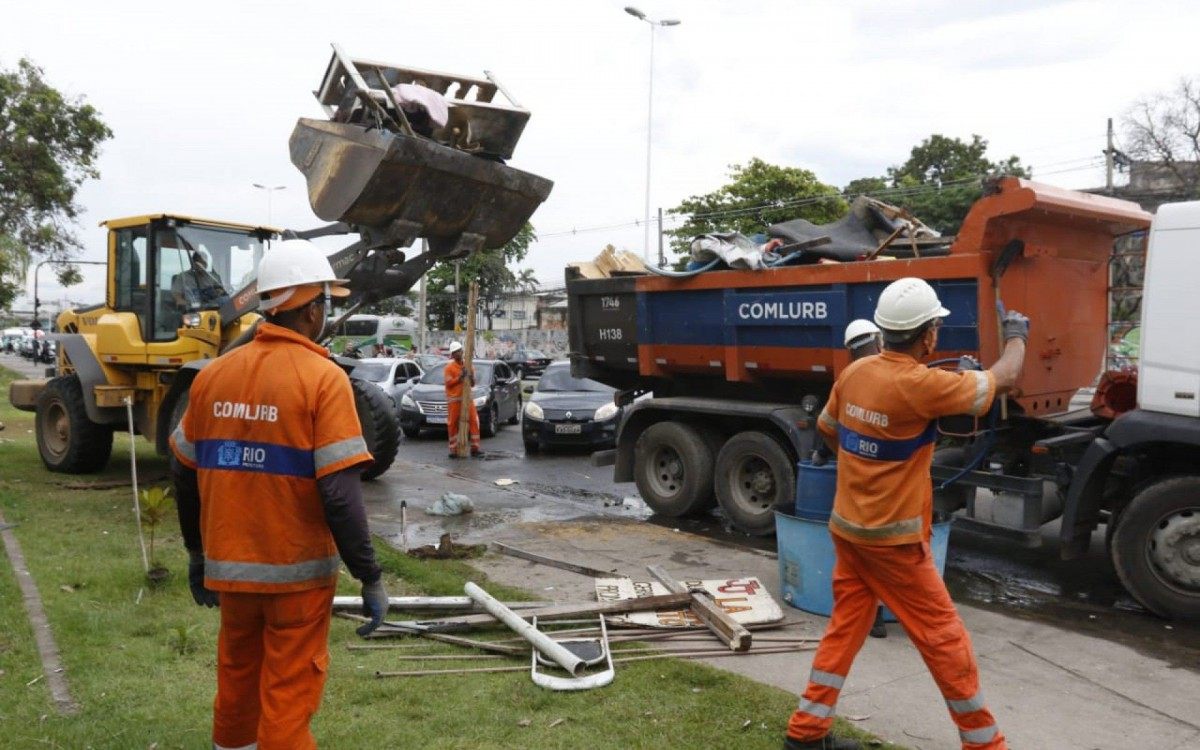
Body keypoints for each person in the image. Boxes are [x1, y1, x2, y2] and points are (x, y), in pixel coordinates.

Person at [784, 278, 1027, 750]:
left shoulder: (856, 373)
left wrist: (869, 457)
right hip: (893, 543)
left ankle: (805, 734)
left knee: (845, 628)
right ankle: (985, 744)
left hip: (849, 531)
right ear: (928, 335)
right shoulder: (922, 385)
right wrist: (1017, 334)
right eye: (936, 326)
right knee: (944, 639)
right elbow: (1006, 377)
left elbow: (828, 429)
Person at [169, 239, 389, 750]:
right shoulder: (323, 380)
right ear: (311, 308)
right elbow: (338, 493)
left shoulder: (211, 378)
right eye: (324, 304)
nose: (325, 313)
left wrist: (197, 556)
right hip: (297, 577)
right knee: (288, 693)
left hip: (232, 571)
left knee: (238, 679)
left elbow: (183, 475)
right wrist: (370, 575)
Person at [444, 341, 481, 458]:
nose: (458, 353)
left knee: (474, 421)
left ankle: (475, 448)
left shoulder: (468, 366)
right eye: (455, 352)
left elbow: (473, 384)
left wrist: (470, 377)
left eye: (459, 351)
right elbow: (448, 383)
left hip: (467, 400)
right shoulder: (449, 368)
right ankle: (453, 449)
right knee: (452, 424)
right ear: (452, 355)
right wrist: (459, 378)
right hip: (454, 400)